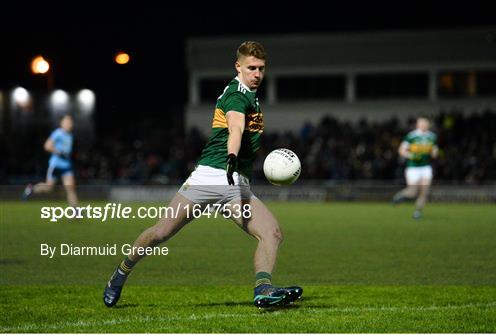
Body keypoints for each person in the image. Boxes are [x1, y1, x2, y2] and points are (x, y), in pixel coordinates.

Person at [103, 41, 302, 309]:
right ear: (238, 66)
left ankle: (263, 290)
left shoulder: (251, 95)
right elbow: (236, 128)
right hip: (210, 177)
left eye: (261, 69)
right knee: (161, 232)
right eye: (251, 68)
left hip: (235, 184)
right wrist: (232, 156)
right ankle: (120, 274)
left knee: (272, 232)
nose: (257, 74)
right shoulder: (237, 95)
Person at [22, 115, 78, 207]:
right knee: (48, 187)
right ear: (62, 123)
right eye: (67, 122)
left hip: (66, 166)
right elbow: (47, 146)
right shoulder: (58, 133)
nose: (69, 124)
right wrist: (59, 152)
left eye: (70, 123)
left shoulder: (70, 136)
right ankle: (31, 189)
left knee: (70, 188)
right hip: (56, 165)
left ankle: (75, 211)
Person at [392, 117, 438, 219]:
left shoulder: (432, 136)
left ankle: (418, 212)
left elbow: (434, 149)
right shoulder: (411, 136)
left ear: (428, 125)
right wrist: (411, 155)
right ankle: (400, 196)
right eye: (421, 124)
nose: (423, 126)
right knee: (413, 192)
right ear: (417, 125)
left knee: (424, 191)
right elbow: (401, 150)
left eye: (425, 124)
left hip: (425, 168)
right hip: (413, 168)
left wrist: (434, 152)